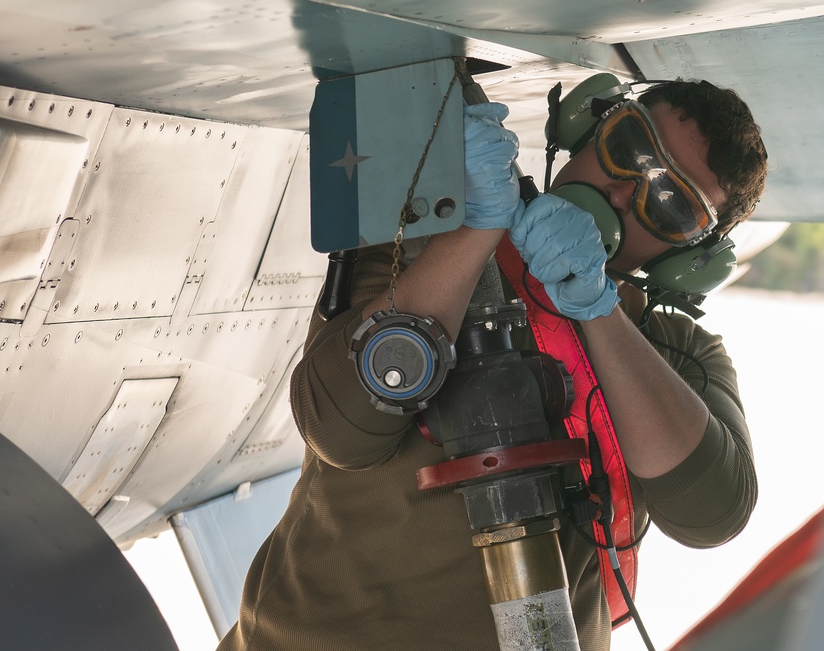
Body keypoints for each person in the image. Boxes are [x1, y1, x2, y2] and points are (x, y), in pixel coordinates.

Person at [216, 78, 767, 651]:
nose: (626, 194)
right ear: (586, 131)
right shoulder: (427, 241)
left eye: (671, 205)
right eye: (628, 151)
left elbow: (712, 512)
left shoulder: (679, 356)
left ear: (690, 256)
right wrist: (478, 230)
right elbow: (338, 427)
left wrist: (598, 310)